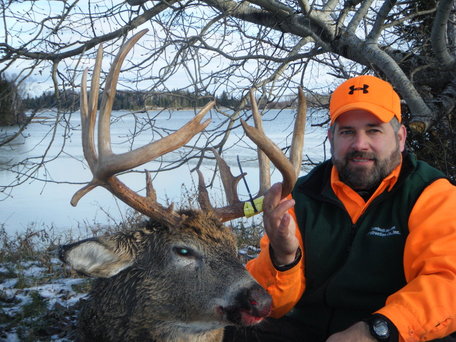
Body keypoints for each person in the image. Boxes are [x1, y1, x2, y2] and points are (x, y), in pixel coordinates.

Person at [224, 75, 456, 342]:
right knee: (232, 330)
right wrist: (284, 257)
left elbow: (447, 282)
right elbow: (272, 305)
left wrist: (378, 329)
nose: (359, 144)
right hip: (309, 329)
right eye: (347, 132)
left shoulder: (430, 194)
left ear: (401, 137)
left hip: (397, 333)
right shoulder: (300, 197)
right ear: (331, 137)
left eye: (374, 130)